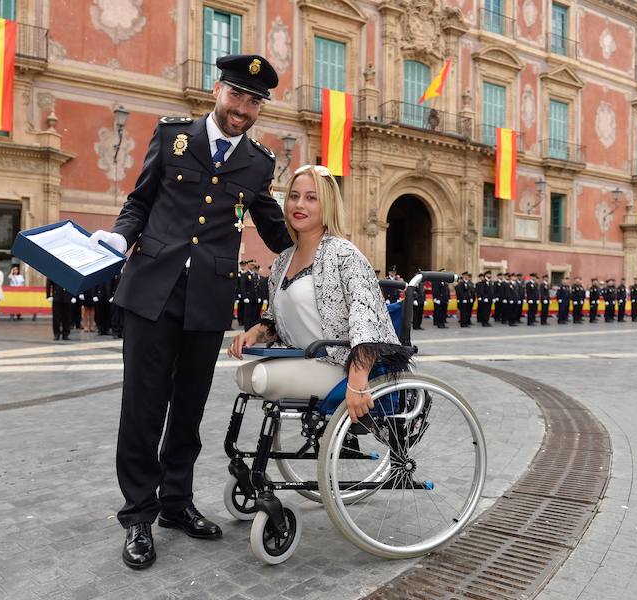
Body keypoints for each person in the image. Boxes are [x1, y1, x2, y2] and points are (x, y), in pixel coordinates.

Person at [86, 54, 291, 571]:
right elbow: (140, 200)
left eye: (255, 101)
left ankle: (176, 503)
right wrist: (119, 235)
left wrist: (319, 254)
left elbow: (272, 226)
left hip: (206, 298)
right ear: (217, 91)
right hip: (151, 292)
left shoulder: (259, 164)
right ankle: (139, 514)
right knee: (143, 407)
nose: (243, 109)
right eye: (237, 96)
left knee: (190, 409)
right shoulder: (174, 135)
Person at [228, 163, 410, 419]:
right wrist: (256, 332)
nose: (299, 205)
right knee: (245, 376)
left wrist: (357, 381)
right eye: (294, 196)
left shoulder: (344, 254)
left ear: (328, 206)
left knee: (257, 377)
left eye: (311, 198)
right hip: (302, 358)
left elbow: (368, 320)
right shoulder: (283, 260)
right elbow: (277, 319)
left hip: (340, 365)